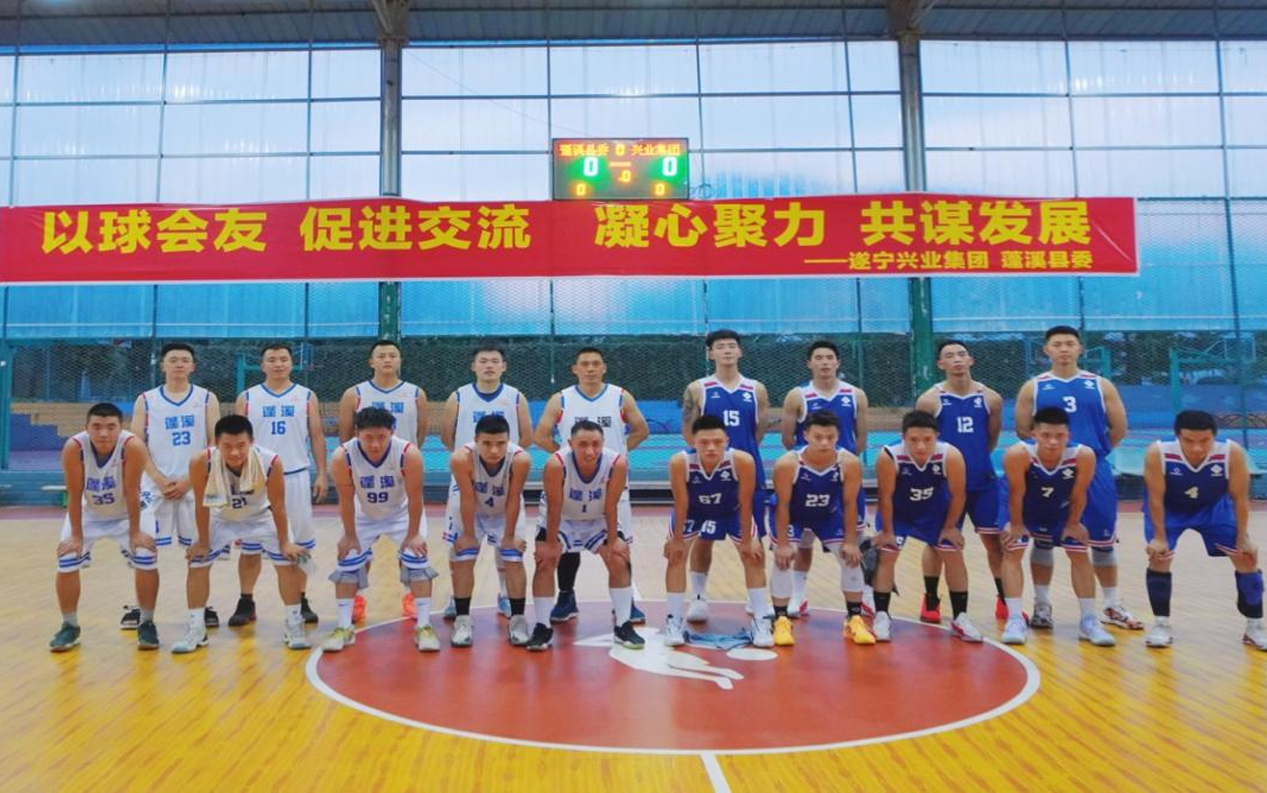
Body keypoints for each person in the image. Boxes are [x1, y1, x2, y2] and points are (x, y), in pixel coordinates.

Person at [1015, 325, 1139, 631]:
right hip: (1048, 472)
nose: (1064, 349)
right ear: (1046, 350)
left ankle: (1112, 604)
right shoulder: (1034, 387)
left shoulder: (1100, 385)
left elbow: (1119, 427)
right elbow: (1022, 429)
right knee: (1043, 540)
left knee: (1102, 541)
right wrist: (1052, 454)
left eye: (1069, 343)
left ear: (1080, 349)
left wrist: (1093, 453)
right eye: (1057, 344)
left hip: (1093, 469)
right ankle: (1041, 605)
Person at [173, 415, 309, 654]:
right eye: (227, 446)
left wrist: (285, 542)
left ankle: (294, 624)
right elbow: (202, 505)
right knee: (196, 563)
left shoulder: (271, 461)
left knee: (288, 561)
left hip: (261, 516)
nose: (235, 452)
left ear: (252, 442)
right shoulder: (200, 462)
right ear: (216, 443)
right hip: (221, 516)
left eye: (241, 445)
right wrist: (202, 542)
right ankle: (196, 628)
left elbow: (278, 505)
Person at [534, 347, 650, 625]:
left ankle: (625, 603)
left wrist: (615, 457)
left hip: (612, 484)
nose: (590, 368)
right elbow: (541, 436)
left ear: (604, 367)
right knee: (566, 544)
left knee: (620, 543)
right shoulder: (561, 399)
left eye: (596, 363)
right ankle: (566, 597)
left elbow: (641, 430)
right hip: (572, 484)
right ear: (575, 369)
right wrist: (568, 459)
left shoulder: (620, 396)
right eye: (584, 364)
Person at [1142, 410, 1265, 650]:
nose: (1197, 448)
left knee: (1246, 558)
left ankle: (1255, 626)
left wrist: (1243, 537)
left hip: (1213, 509)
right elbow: (1155, 498)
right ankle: (1161, 625)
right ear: (1177, 436)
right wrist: (1159, 537)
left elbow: (1240, 499)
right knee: (1160, 556)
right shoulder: (1158, 453)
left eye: (1204, 441)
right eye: (1188, 441)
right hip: (1170, 510)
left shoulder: (1231, 453)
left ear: (1215, 436)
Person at [321, 407, 439, 654]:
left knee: (417, 561)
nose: (375, 444)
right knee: (348, 561)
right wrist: (349, 535)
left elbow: (415, 496)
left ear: (392, 432)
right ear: (357, 433)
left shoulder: (408, 453)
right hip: (363, 514)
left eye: (382, 437)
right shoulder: (343, 456)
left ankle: (424, 626)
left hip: (401, 513)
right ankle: (344, 627)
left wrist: (413, 534)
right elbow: (345, 498)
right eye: (368, 438)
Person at [997, 408, 1115, 647]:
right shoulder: (1018, 454)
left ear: (1068, 434)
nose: (1053, 442)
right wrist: (1016, 524)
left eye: (1059, 436)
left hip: (1060, 506)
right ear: (1034, 434)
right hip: (1022, 507)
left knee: (1078, 550)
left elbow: (1079, 494)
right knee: (1013, 548)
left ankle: (1089, 621)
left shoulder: (1083, 455)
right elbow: (1016, 494)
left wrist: (1073, 523)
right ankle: (1015, 619)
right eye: (1046, 435)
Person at [126, 342, 222, 630]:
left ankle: (200, 608)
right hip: (155, 485)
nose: (179, 364)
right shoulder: (146, 400)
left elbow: (214, 443)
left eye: (184, 360)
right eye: (173, 360)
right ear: (163, 365)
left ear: (192, 366)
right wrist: (157, 478)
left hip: (195, 484)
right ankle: (142, 610)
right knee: (144, 550)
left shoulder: (206, 399)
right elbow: (136, 444)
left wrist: (188, 480)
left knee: (199, 550)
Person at [678, 329, 771, 624]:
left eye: (732, 346)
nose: (727, 350)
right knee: (703, 537)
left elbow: (759, 430)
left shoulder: (756, 389)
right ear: (711, 354)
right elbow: (688, 432)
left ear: (740, 351)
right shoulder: (698, 389)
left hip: (747, 471)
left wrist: (740, 456)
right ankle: (699, 597)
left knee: (753, 536)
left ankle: (755, 596)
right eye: (720, 347)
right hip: (709, 474)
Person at [230, 343, 325, 628]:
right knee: (250, 546)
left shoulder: (306, 396)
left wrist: (322, 473)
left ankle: (302, 598)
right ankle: (246, 600)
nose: (278, 364)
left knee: (301, 544)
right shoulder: (248, 398)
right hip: (256, 478)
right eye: (272, 360)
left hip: (295, 475)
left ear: (292, 364)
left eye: (283, 359)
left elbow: (317, 436)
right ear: (262, 365)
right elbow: (236, 440)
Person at [50, 403, 159, 652]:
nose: (103, 433)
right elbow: (74, 493)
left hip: (130, 510)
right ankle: (69, 626)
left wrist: (135, 532)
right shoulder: (74, 448)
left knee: (145, 555)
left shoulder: (133, 446)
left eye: (111, 427)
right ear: (86, 428)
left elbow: (132, 491)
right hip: (90, 510)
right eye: (97, 427)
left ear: (121, 428)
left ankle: (147, 623)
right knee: (67, 557)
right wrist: (76, 535)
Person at [526, 420, 641, 652]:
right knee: (545, 561)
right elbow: (555, 507)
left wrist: (613, 542)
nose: (590, 451)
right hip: (563, 518)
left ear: (603, 443)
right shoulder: (556, 464)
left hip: (598, 517)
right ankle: (542, 627)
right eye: (583, 444)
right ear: (570, 444)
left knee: (619, 559)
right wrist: (550, 544)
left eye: (596, 444)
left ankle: (623, 625)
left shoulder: (616, 463)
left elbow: (611, 505)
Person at [439, 344, 533, 621]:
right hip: (467, 476)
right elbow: (447, 436)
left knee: (507, 542)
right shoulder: (458, 397)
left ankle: (505, 595)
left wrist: (499, 458)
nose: (489, 365)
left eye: (494, 361)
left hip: (504, 476)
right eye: (483, 361)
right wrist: (472, 461)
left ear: (504, 366)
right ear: (473, 366)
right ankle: (457, 598)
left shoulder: (515, 397)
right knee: (459, 542)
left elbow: (526, 436)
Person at [337, 338, 428, 621]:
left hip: (401, 475)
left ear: (400, 360)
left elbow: (421, 432)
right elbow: (345, 435)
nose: (387, 359)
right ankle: (356, 600)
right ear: (371, 361)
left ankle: (412, 595)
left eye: (392, 355)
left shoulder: (415, 393)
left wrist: (403, 459)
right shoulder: (354, 394)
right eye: (381, 355)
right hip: (365, 480)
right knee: (356, 549)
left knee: (412, 546)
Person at [914, 340, 1005, 624]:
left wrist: (972, 460)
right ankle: (931, 599)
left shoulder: (991, 399)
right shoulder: (930, 401)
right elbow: (922, 441)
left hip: (983, 481)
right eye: (949, 356)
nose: (957, 359)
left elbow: (990, 439)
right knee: (937, 542)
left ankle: (1005, 599)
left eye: (961, 354)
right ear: (940, 364)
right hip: (944, 485)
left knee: (995, 542)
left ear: (971, 360)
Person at [664, 414, 774, 648]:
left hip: (731, 512)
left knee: (753, 556)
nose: (711, 447)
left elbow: (745, 502)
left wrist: (748, 541)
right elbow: (681, 504)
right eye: (704, 442)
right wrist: (676, 540)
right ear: (693, 441)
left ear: (727, 441)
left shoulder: (742, 461)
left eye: (717, 441)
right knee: (676, 557)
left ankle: (761, 621)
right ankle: (673, 621)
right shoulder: (679, 462)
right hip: (693, 512)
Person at [872, 410, 982, 643]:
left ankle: (960, 617)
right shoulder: (889, 455)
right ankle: (881, 615)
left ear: (937, 437)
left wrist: (950, 527)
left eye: (927, 439)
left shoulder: (950, 455)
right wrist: (888, 531)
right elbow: (885, 496)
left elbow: (959, 495)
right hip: (899, 513)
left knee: (953, 554)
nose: (921, 446)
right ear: (903, 437)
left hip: (934, 512)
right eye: (913, 440)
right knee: (887, 554)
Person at [779, 339, 870, 618]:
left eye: (830, 357)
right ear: (809, 363)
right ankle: (798, 594)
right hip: (808, 478)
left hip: (842, 475)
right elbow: (788, 438)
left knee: (856, 539)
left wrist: (842, 463)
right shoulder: (797, 396)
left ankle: (865, 593)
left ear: (838, 362)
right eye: (818, 358)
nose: (825, 362)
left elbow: (860, 438)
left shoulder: (855, 394)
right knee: (803, 541)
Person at [769, 410, 872, 647]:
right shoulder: (788, 464)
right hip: (793, 516)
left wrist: (851, 541)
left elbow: (850, 503)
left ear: (838, 436)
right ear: (806, 435)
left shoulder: (849, 463)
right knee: (783, 560)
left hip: (828, 515)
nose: (825, 442)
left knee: (851, 559)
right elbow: (782, 505)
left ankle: (854, 619)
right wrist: (783, 544)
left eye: (830, 437)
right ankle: (781, 620)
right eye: (818, 437)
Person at [444, 414, 532, 647]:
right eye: (487, 443)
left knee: (513, 559)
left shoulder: (520, 459)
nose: (494, 450)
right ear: (476, 441)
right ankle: (462, 620)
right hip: (471, 507)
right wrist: (468, 535)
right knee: (464, 558)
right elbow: (466, 498)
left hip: (505, 508)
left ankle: (518, 620)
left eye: (501, 443)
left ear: (509, 441)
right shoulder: (461, 458)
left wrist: (509, 537)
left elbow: (514, 498)